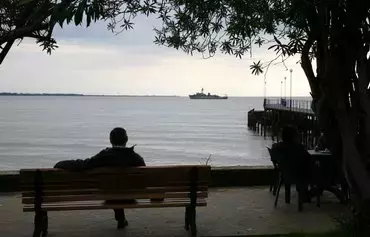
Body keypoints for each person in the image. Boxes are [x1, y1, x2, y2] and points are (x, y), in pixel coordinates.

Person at [54, 127, 145, 229]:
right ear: (126, 139)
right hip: (130, 196)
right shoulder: (135, 157)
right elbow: (145, 177)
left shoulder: (104, 156)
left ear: (110, 140)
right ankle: (121, 219)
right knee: (119, 186)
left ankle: (120, 218)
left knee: (113, 188)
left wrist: (60, 163)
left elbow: (84, 165)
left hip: (108, 194)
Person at [271, 125, 312, 203]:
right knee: (313, 171)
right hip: (299, 175)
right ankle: (309, 193)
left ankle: (304, 194)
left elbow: (273, 159)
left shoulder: (276, 147)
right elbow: (309, 159)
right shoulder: (298, 148)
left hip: (284, 174)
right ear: (294, 136)